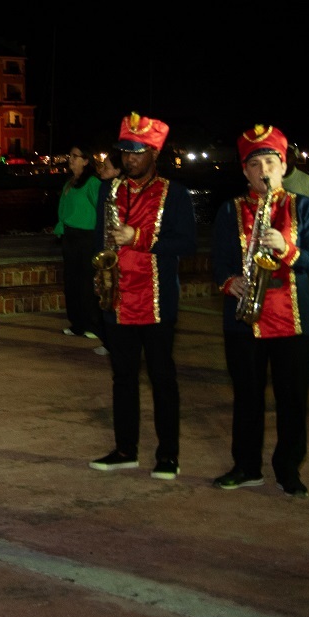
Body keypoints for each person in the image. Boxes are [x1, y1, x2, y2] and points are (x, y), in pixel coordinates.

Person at [212, 125, 309, 498]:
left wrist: (286, 249)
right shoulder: (230, 210)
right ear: (245, 171)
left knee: (293, 399)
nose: (263, 170)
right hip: (244, 320)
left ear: (284, 166)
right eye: (255, 164)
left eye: (270, 163)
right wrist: (229, 282)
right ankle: (246, 466)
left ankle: (288, 468)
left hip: (292, 319)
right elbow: (218, 262)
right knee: (247, 397)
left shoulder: (303, 207)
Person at [87, 112, 198, 478]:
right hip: (117, 299)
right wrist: (100, 274)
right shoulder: (108, 190)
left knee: (162, 380)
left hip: (157, 301)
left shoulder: (174, 193)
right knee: (122, 378)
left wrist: (139, 238)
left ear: (154, 153)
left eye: (137, 152)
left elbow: (188, 243)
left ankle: (168, 455)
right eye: (125, 151)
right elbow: (99, 238)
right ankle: (125, 449)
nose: (129, 159)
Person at [53, 144, 104, 339]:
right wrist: (60, 227)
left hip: (87, 237)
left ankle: (92, 324)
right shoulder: (69, 183)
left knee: (86, 282)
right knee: (71, 281)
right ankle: (77, 323)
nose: (71, 159)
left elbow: (101, 209)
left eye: (75, 156)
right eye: (70, 156)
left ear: (86, 160)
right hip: (70, 236)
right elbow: (63, 208)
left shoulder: (92, 182)